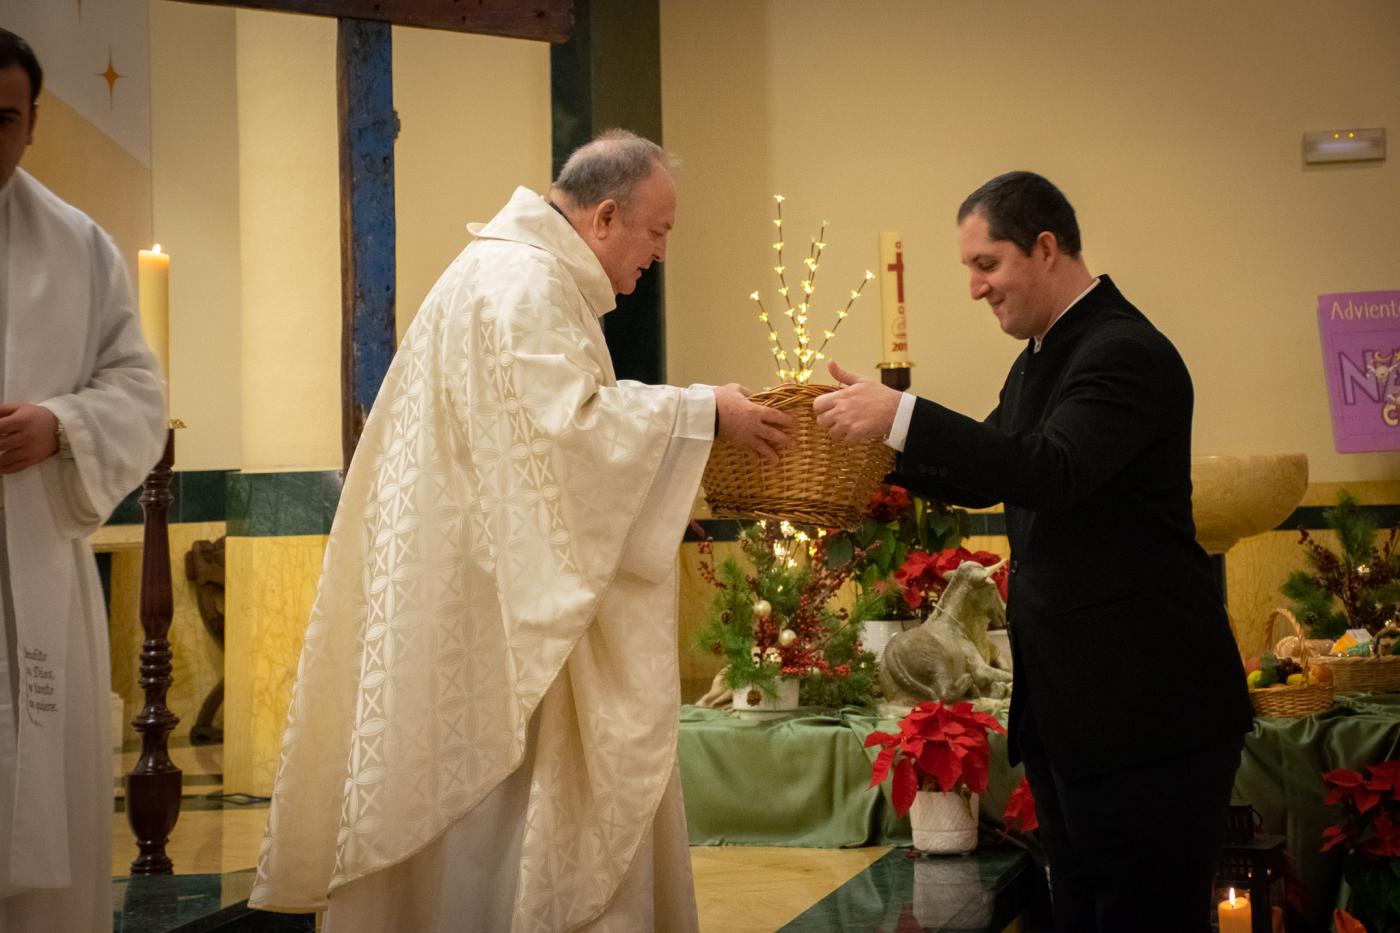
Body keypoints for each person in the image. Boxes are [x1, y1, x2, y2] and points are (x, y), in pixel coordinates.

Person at [249, 130, 792, 931]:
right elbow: (567, 435)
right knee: (496, 835)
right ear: (606, 215)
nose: (661, 254)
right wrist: (706, 409)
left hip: (482, 591)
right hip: (496, 621)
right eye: (658, 232)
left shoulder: (516, 273)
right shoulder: (524, 283)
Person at [813, 171, 1252, 931]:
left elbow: (1052, 469)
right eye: (970, 270)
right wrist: (874, 444)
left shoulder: (1123, 350)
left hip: (1148, 714)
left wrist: (904, 415)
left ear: (1045, 247)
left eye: (988, 264)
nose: (977, 288)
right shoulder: (1042, 357)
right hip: (1078, 713)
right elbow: (992, 468)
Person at [0, 28, 167, 933]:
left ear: (34, 122)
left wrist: (59, 424)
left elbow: (139, 390)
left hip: (32, 569)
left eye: (4, 120)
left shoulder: (78, 244)